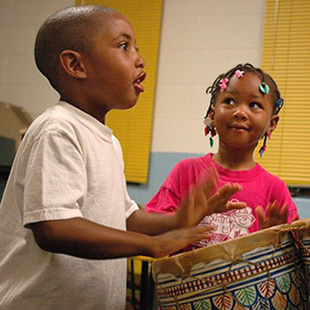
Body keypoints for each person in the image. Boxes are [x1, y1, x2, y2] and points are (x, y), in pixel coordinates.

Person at [0, 6, 246, 309]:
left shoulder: (108, 141)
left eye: (137, 48)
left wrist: (178, 219)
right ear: (75, 65)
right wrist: (152, 245)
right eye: (123, 46)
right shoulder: (58, 129)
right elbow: (54, 227)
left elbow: (126, 218)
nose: (139, 59)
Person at [146, 63, 299, 249]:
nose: (240, 112)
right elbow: (150, 231)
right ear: (212, 114)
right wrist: (186, 220)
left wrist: (276, 242)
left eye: (254, 105)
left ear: (271, 124)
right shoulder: (186, 172)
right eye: (229, 101)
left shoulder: (275, 189)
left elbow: (296, 256)